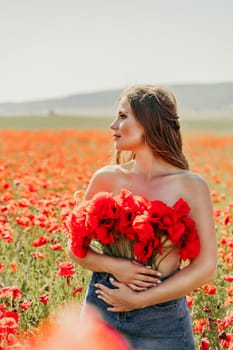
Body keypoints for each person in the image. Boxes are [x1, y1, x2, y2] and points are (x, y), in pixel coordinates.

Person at [68, 85, 217, 350]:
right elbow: (76, 249)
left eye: (123, 116)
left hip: (162, 320)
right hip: (103, 309)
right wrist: (115, 266)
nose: (113, 124)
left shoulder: (191, 185)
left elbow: (205, 268)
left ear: (150, 122)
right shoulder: (106, 178)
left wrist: (141, 300)